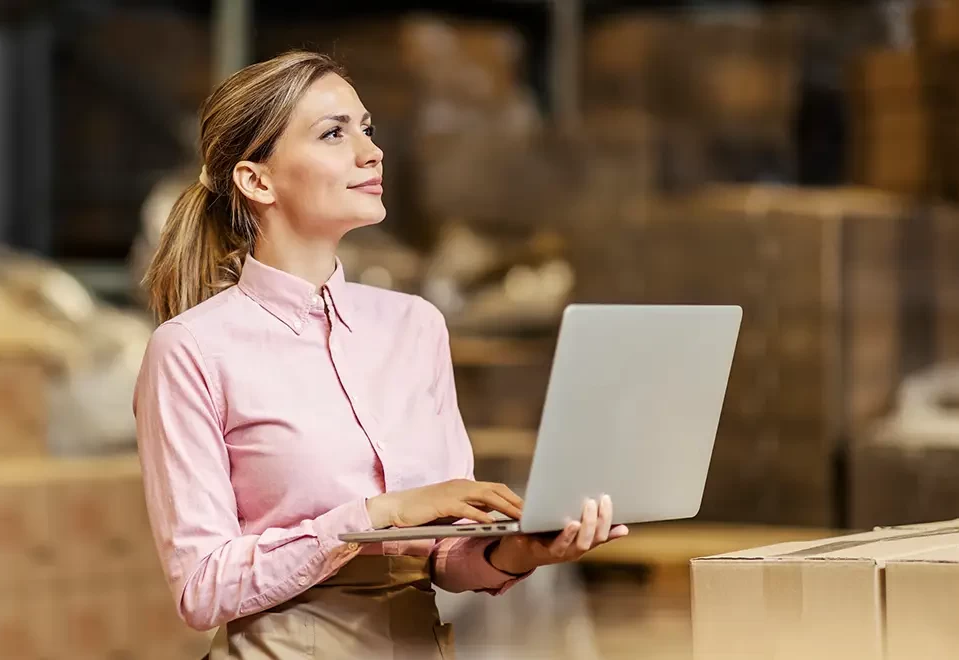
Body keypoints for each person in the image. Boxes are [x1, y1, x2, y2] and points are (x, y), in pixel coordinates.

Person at [133, 50, 628, 659]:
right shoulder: (191, 350)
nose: (371, 152)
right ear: (257, 180)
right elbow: (202, 588)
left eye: (366, 129)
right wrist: (377, 513)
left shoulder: (415, 326)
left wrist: (525, 548)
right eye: (334, 133)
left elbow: (447, 556)